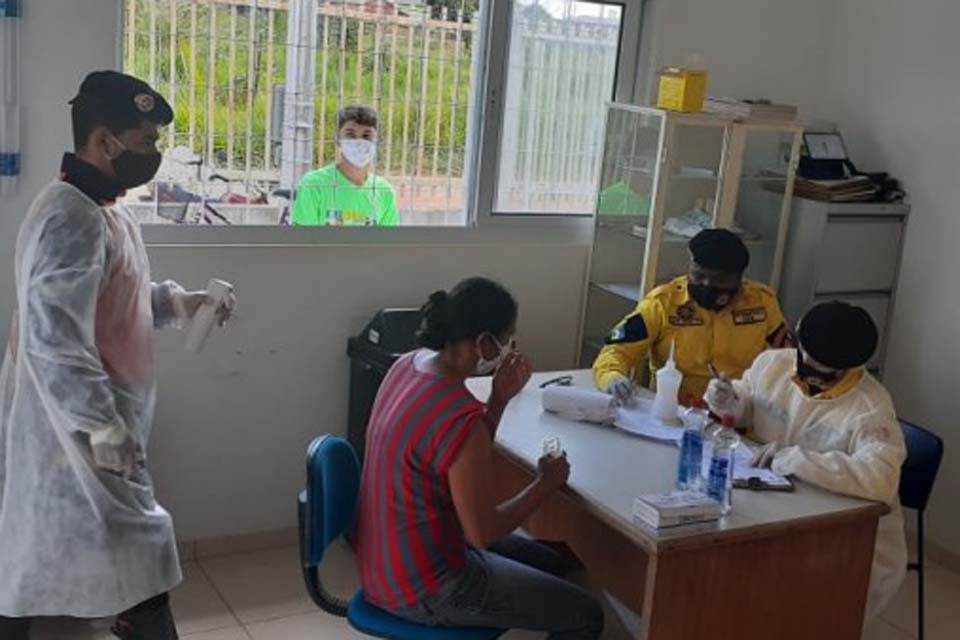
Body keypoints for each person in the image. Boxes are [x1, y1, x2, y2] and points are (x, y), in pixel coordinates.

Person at [0, 71, 236, 639]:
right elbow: (55, 343)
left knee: (34, 555)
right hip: (78, 433)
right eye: (146, 141)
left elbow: (117, 299)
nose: (154, 154)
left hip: (98, 425)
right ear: (105, 142)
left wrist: (180, 303)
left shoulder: (106, 210)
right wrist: (106, 434)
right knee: (141, 550)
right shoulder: (69, 217)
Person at [354, 278, 604, 639]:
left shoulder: (406, 366)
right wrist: (545, 484)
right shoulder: (459, 418)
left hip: (383, 564)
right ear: (485, 342)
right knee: (585, 613)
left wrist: (498, 400)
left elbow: (453, 457)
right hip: (426, 589)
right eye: (506, 340)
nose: (508, 349)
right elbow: (483, 532)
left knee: (549, 562)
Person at [704, 301, 906, 619]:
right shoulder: (774, 365)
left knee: (797, 612)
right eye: (807, 366)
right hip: (772, 509)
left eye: (824, 374)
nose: (812, 378)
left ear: (850, 367)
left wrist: (798, 461)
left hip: (848, 539)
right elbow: (748, 400)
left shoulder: (871, 408)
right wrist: (728, 400)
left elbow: (881, 478)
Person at [593, 228, 794, 404]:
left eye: (719, 280)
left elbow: (787, 360)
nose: (706, 285)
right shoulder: (663, 303)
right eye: (698, 276)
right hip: (674, 413)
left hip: (738, 415)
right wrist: (613, 377)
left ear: (739, 279)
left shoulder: (761, 303)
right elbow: (617, 350)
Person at [291, 105, 399, 226]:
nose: (359, 142)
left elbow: (389, 243)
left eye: (366, 136)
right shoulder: (314, 184)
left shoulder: (383, 191)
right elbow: (303, 241)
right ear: (337, 139)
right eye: (350, 135)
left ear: (378, 141)